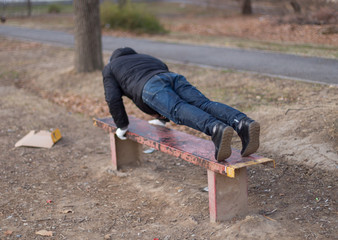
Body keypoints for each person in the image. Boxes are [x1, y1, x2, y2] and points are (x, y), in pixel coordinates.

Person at [103, 47, 260, 161]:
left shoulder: (110, 67)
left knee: (177, 109)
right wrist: (162, 118)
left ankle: (214, 128)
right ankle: (242, 122)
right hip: (173, 77)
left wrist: (122, 125)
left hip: (149, 86)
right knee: (204, 103)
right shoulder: (148, 58)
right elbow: (166, 88)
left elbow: (113, 98)